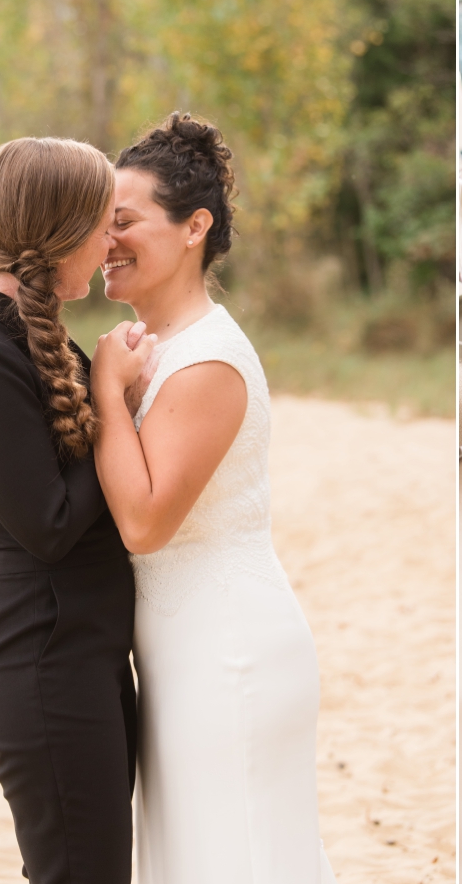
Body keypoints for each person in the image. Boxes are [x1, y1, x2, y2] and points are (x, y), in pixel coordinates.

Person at [89, 112, 336, 883]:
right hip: (178, 656)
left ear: (195, 226)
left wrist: (101, 387)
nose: (105, 243)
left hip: (231, 656)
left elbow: (142, 520)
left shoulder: (208, 363)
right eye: (100, 226)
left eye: (123, 221)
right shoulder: (151, 354)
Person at [0, 137, 136, 884]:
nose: (113, 241)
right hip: (38, 659)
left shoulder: (27, 334)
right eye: (104, 224)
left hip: (83, 652)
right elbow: (49, 526)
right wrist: (110, 394)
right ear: (61, 237)